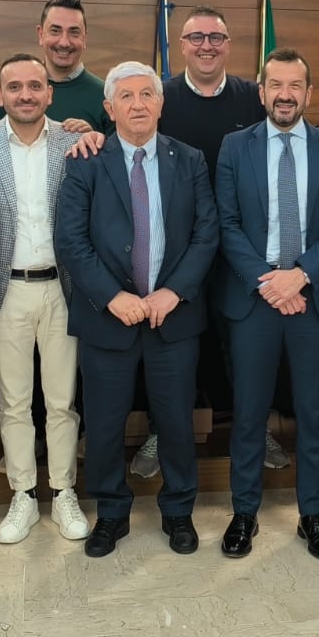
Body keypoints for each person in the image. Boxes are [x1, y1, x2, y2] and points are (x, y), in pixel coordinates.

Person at [138, 5, 319, 475]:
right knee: (174, 350)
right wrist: (84, 132)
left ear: (229, 45)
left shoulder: (249, 96)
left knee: (243, 359)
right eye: (197, 37)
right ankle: (161, 432)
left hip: (245, 256)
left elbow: (292, 123)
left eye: (216, 37)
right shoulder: (161, 96)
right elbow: (127, 134)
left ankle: (255, 432)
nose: (207, 46)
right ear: (181, 45)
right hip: (176, 255)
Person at [53, 61, 217, 559]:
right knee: (104, 424)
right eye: (126, 96)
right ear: (109, 108)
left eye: (147, 94)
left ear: (161, 103)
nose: (138, 104)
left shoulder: (190, 160)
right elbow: (71, 240)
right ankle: (111, 512)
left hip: (173, 316)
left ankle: (179, 510)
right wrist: (112, 297)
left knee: (176, 421)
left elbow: (206, 234)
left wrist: (175, 292)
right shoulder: (86, 161)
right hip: (108, 317)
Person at [215, 49, 319, 561]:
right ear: (261, 92)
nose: (284, 94)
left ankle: (312, 515)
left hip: (313, 300)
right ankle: (244, 513)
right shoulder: (235, 147)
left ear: (308, 92)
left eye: (294, 85)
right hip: (254, 300)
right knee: (249, 413)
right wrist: (269, 282)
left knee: (314, 414)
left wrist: (299, 276)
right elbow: (226, 223)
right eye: (275, 84)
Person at [0, 53, 90, 545]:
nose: (25, 95)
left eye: (35, 86)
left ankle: (64, 491)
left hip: (62, 290)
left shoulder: (76, 142)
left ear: (49, 93)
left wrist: (95, 132)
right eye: (15, 87)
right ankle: (24, 495)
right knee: (13, 402)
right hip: (5, 291)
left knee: (62, 400)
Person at [0, 0, 112, 134]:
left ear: (84, 39)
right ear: (41, 34)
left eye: (74, 32)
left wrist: (97, 140)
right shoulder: (14, 93)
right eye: (55, 31)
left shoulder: (106, 96)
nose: (64, 42)